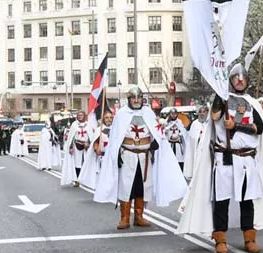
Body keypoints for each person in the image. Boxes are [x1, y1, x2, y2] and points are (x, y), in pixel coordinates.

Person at [176, 63, 263, 253]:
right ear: (231, 80)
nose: (240, 81)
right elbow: (215, 116)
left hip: (246, 160)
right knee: (222, 200)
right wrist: (220, 93)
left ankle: (249, 238)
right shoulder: (222, 99)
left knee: (247, 200)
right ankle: (220, 239)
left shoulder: (252, 103)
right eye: (236, 78)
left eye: (242, 78)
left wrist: (236, 126)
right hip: (225, 157)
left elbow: (258, 128)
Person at [93, 86, 186, 229]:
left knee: (142, 187)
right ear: (129, 99)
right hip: (127, 155)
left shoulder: (148, 113)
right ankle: (124, 217)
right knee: (126, 187)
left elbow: (158, 133)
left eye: (139, 98)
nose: (136, 101)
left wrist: (156, 142)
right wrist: (115, 153)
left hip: (144, 156)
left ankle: (139, 216)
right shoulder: (121, 114)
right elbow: (115, 137)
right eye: (133, 98)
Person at [60, 111, 95, 187]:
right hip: (76, 145)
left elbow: (91, 136)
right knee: (77, 163)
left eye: (81, 115)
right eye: (78, 115)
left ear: (84, 116)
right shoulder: (74, 125)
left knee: (85, 162)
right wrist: (71, 147)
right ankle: (77, 180)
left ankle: (85, 179)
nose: (80, 116)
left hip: (86, 146)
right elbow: (71, 137)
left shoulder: (88, 124)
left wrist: (88, 143)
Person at [78, 110, 112, 190]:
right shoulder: (99, 130)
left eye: (111, 117)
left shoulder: (115, 129)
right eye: (107, 118)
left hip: (111, 157)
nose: (109, 119)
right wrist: (96, 149)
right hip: (102, 157)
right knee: (102, 174)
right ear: (103, 118)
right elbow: (95, 142)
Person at [161, 106, 189, 171]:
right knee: (169, 161)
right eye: (172, 113)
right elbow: (162, 133)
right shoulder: (166, 122)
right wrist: (166, 130)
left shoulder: (179, 122)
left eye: (175, 114)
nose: (173, 115)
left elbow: (183, 132)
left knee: (179, 161)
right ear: (169, 114)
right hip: (169, 145)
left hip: (178, 145)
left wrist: (179, 135)